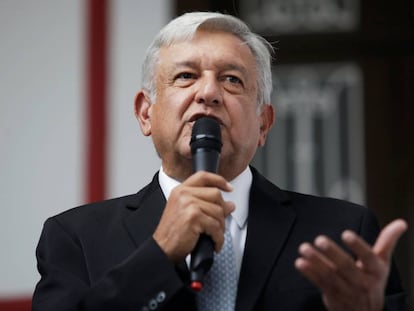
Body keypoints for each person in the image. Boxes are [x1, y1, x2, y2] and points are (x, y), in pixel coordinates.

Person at [32, 12, 408, 311]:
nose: (209, 92)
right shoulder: (75, 239)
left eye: (231, 80)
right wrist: (159, 255)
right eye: (185, 76)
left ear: (263, 123)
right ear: (145, 113)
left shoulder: (342, 234)